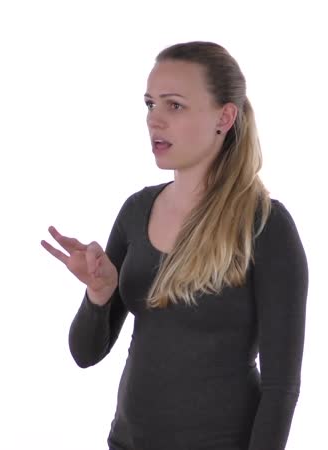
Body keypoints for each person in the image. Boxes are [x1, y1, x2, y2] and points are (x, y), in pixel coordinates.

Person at [41, 41, 308, 450]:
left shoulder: (266, 226)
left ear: (225, 117)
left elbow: (281, 388)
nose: (155, 120)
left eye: (175, 106)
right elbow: (85, 353)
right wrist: (98, 294)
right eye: (150, 104)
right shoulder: (137, 210)